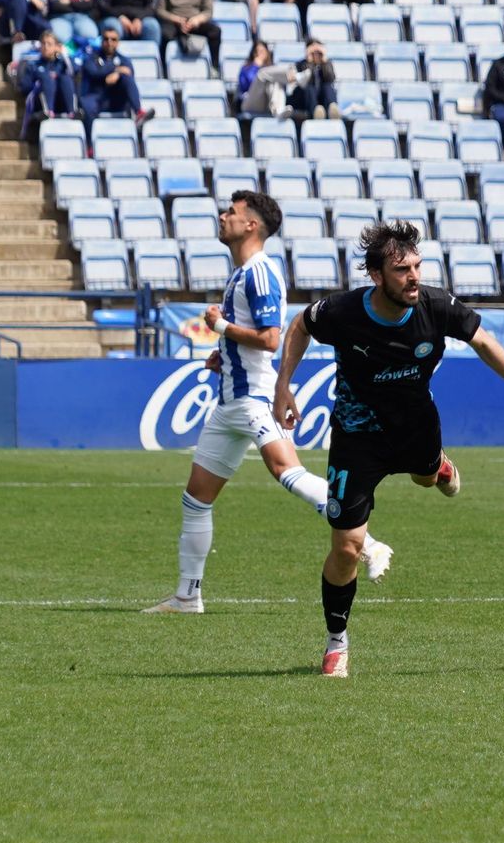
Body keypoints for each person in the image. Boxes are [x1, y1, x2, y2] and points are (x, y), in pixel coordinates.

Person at [272, 221, 504, 678]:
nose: (413, 276)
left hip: (416, 427)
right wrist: (283, 385)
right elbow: (300, 324)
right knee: (348, 548)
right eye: (401, 269)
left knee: (425, 476)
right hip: (357, 436)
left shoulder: (437, 305)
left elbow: (484, 342)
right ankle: (337, 641)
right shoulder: (344, 311)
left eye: (417, 266)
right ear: (376, 275)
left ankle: (438, 467)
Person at [145, 192, 394, 616]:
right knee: (196, 499)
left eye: (232, 213)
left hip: (254, 397)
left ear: (251, 226)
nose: (223, 216)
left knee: (287, 471)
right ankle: (188, 596)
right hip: (231, 402)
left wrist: (219, 326)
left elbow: (271, 339)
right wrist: (221, 352)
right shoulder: (243, 272)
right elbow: (250, 341)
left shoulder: (260, 273)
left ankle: (369, 543)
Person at [79, 28, 151, 131]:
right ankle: (90, 144)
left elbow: (129, 73)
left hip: (116, 100)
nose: (109, 42)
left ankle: (139, 113)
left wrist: (117, 74)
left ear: (118, 42)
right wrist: (115, 69)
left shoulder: (124, 60)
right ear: (101, 41)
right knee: (86, 104)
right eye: (106, 39)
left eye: (113, 39)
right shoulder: (91, 58)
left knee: (126, 78)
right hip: (97, 98)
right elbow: (94, 72)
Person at [23, 29, 78, 120]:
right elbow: (25, 86)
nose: (46, 47)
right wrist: (41, 79)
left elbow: (75, 71)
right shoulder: (34, 64)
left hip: (61, 100)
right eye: (43, 43)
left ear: (56, 46)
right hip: (40, 102)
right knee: (47, 78)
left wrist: (64, 54)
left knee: (65, 78)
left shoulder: (62, 63)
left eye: (49, 44)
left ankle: (72, 112)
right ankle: (48, 111)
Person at [287, 35, 337, 118]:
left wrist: (324, 61)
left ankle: (332, 109)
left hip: (320, 99)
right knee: (309, 88)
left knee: (327, 87)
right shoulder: (300, 64)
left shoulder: (326, 64)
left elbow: (331, 79)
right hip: (303, 99)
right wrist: (309, 62)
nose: (316, 54)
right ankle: (315, 112)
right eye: (313, 51)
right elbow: (306, 81)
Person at [236, 39, 286, 114]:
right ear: (253, 53)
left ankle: (278, 110)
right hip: (249, 102)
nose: (260, 54)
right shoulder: (246, 68)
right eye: (257, 51)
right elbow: (246, 85)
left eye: (262, 51)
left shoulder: (272, 68)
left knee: (276, 80)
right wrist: (255, 67)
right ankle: (291, 76)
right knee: (263, 74)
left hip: (267, 102)